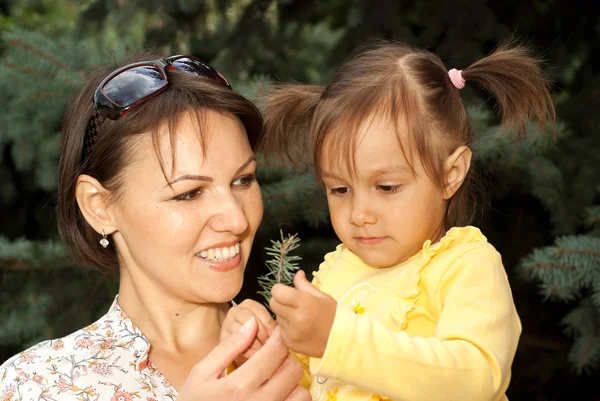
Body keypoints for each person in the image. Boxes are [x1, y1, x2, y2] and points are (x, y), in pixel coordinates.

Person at [221, 40, 555, 401]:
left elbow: (476, 378)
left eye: (387, 187)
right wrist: (263, 352)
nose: (360, 214)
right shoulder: (338, 271)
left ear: (451, 174)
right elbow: (310, 384)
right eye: (340, 190)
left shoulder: (467, 266)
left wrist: (339, 339)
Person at [0, 53, 309, 401]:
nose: (237, 220)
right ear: (99, 206)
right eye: (189, 193)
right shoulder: (36, 384)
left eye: (243, 180)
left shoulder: (320, 348)